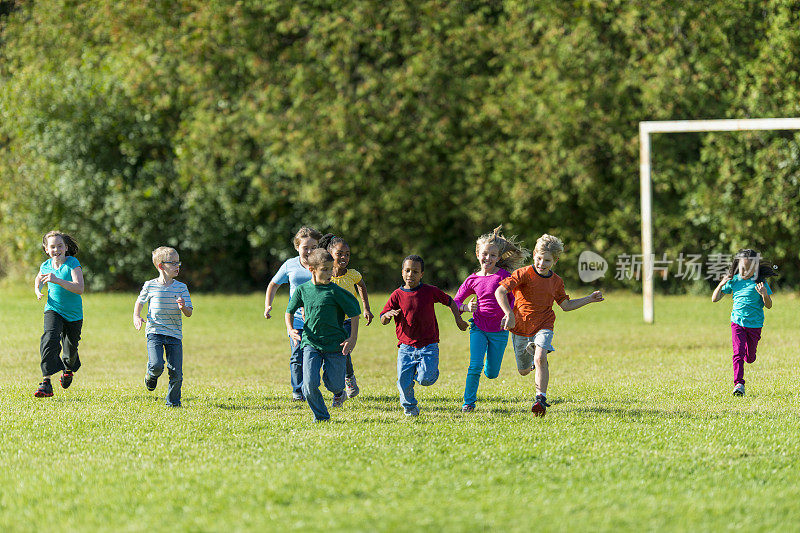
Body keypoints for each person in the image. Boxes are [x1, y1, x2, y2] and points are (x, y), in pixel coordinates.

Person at [495, 234, 603, 416]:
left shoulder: (556, 282)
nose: (541, 263)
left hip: (544, 324)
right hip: (520, 327)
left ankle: (540, 399)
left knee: (540, 358)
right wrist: (508, 313)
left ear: (555, 261)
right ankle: (533, 360)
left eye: (547, 260)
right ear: (535, 254)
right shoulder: (523, 274)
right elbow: (500, 291)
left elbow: (566, 305)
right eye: (539, 258)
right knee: (523, 371)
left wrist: (589, 299)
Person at [380, 255, 469, 416]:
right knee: (403, 381)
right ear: (402, 272)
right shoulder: (397, 295)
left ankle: (430, 371)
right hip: (405, 348)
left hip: (428, 345)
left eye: (415, 271)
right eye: (407, 271)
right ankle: (410, 408)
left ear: (421, 274)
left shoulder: (429, 291)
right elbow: (383, 318)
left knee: (426, 379)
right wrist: (386, 316)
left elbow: (449, 301)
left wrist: (458, 319)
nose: (410, 275)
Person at [454, 226, 530, 412]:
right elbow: (455, 301)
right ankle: (468, 403)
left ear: (498, 258)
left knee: (492, 373)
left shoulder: (503, 276)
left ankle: (490, 366)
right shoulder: (472, 280)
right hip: (478, 327)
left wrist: (511, 314)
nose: (487, 258)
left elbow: (515, 299)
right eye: (484, 254)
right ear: (478, 254)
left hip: (499, 331)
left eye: (493, 255)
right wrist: (465, 307)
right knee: (475, 366)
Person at [286, 248, 361, 422]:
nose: (330, 273)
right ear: (312, 269)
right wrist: (291, 329)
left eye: (330, 268)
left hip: (335, 345)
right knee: (308, 385)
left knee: (334, 384)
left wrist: (353, 338)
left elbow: (354, 312)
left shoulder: (336, 291)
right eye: (325, 269)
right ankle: (321, 416)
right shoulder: (303, 290)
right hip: (310, 344)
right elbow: (289, 311)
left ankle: (338, 391)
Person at [264, 226, 322, 401]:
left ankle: (311, 387)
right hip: (296, 320)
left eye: (314, 247)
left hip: (319, 320)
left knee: (316, 356)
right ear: (297, 247)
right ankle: (298, 391)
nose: (310, 251)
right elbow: (273, 284)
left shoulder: (323, 264)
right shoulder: (290, 265)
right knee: (297, 354)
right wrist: (268, 305)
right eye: (305, 247)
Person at [133, 246, 193, 407]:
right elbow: (140, 301)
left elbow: (189, 313)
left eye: (178, 262)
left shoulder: (182, 288)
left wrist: (183, 308)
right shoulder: (150, 285)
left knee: (176, 372)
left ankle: (173, 403)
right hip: (155, 332)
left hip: (174, 334)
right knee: (156, 365)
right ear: (161, 266)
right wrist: (136, 315)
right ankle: (151, 375)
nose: (177, 266)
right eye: (173, 263)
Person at [711, 249, 776, 396]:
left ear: (755, 267)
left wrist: (765, 294)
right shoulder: (734, 280)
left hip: (755, 325)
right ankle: (739, 384)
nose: (745, 272)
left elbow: (769, 305)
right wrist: (721, 284)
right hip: (737, 323)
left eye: (748, 268)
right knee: (737, 353)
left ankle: (748, 355)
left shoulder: (760, 282)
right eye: (742, 268)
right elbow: (715, 299)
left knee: (750, 357)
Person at [318, 233, 374, 398]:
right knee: (331, 352)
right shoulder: (324, 276)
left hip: (348, 321)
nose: (344, 257)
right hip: (328, 322)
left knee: (344, 350)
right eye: (339, 254)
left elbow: (361, 285)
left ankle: (348, 378)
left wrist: (366, 308)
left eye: (347, 254)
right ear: (330, 255)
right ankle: (337, 381)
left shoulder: (352, 274)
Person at [33, 231, 85, 398]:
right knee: (49, 338)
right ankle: (46, 383)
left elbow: (79, 288)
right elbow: (38, 278)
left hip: (74, 315)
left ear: (66, 247)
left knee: (70, 353)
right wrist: (37, 290)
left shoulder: (73, 263)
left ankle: (68, 369)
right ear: (47, 249)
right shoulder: (45, 265)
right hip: (53, 309)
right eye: (52, 247)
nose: (56, 249)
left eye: (60, 246)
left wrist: (57, 280)